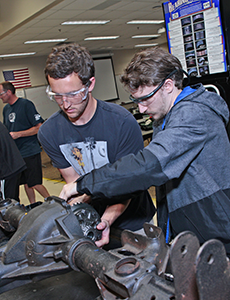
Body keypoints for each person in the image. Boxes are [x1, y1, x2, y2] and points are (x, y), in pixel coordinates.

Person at [60, 47, 230, 263]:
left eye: (145, 99)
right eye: (135, 100)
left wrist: (83, 184)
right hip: (186, 224)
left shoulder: (194, 114)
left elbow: (148, 166)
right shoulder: (167, 116)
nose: (140, 109)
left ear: (168, 86)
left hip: (210, 226)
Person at [38, 43, 155, 248]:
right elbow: (75, 183)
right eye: (57, 95)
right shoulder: (49, 132)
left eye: (73, 94)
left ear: (90, 84)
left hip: (132, 222)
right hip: (89, 222)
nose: (65, 104)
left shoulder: (122, 122)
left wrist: (106, 221)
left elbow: (127, 184)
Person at [0, 81, 50, 204]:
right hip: (17, 153)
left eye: (1, 94)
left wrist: (19, 134)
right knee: (26, 183)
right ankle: (33, 205)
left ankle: (52, 201)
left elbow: (38, 127)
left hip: (29, 150)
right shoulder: (6, 109)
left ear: (9, 92)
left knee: (35, 182)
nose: (0, 97)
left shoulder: (26, 105)